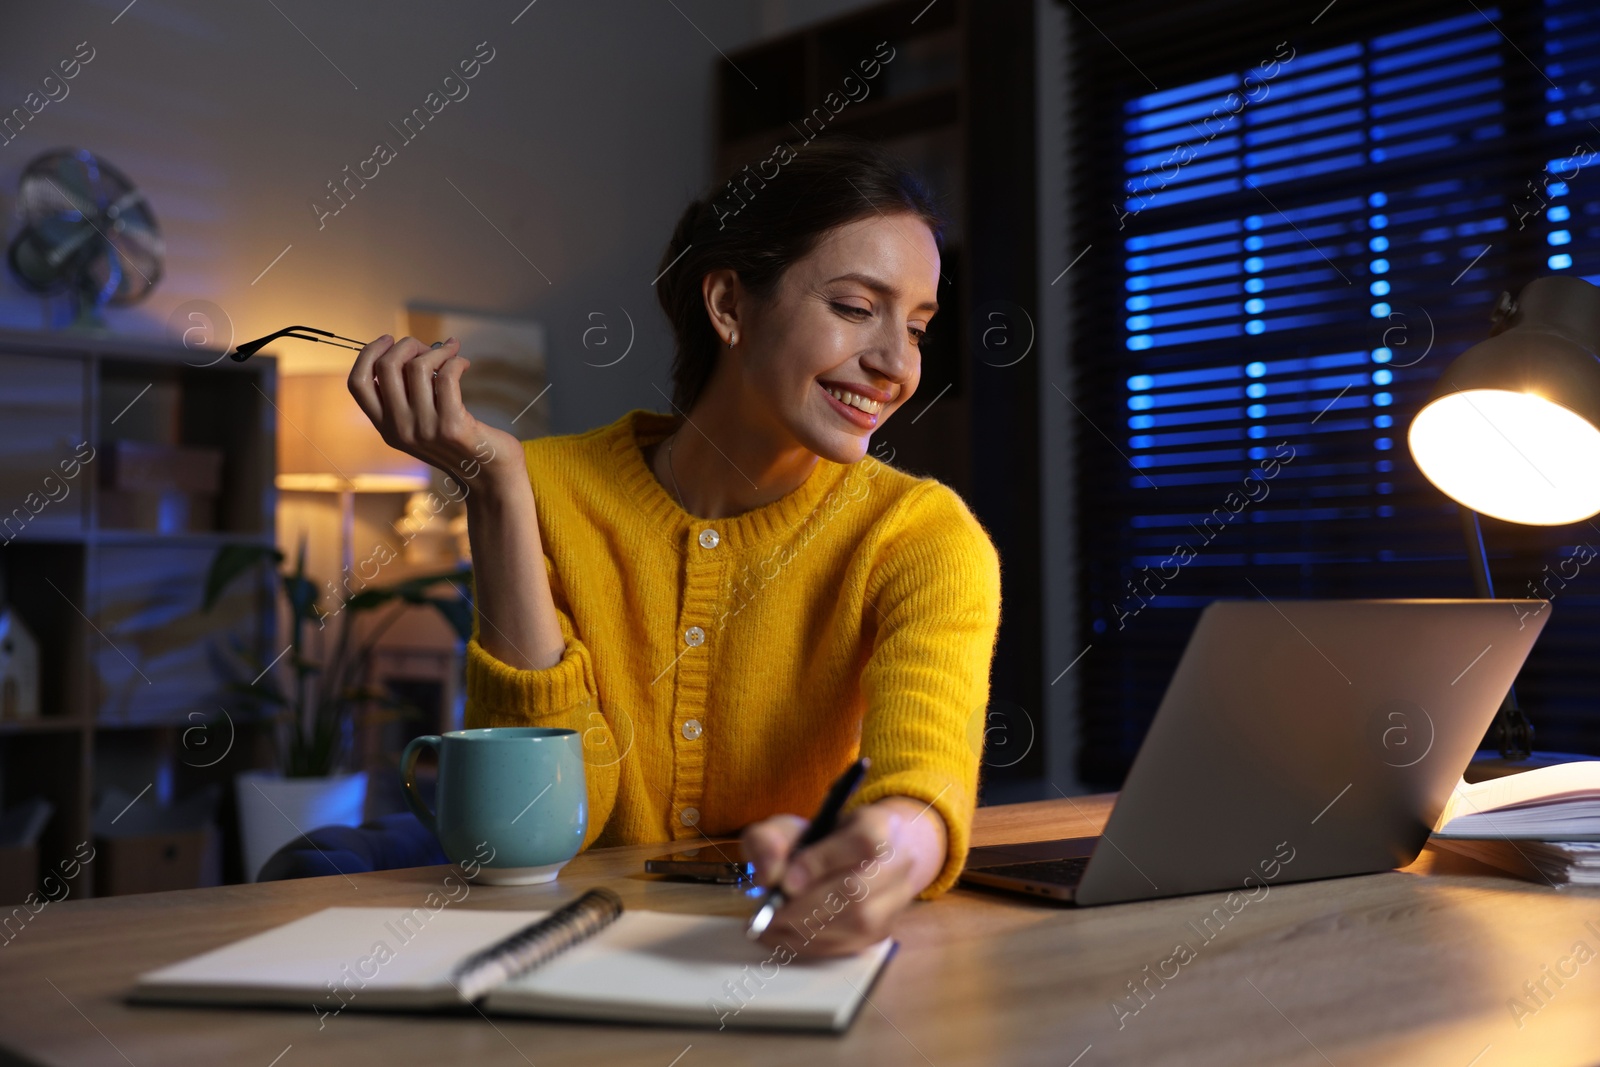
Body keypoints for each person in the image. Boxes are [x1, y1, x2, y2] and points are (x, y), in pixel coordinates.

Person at [347, 135, 1002, 956]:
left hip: (775, 954)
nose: (895, 364)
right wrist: (499, 497)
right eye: (855, 307)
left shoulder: (921, 536)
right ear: (728, 305)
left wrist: (886, 859)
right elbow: (533, 831)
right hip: (564, 953)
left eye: (917, 326)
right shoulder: (545, 489)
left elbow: (925, 774)